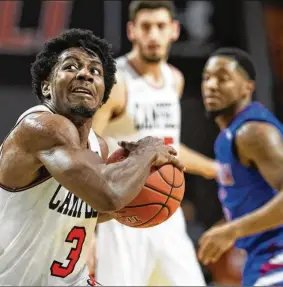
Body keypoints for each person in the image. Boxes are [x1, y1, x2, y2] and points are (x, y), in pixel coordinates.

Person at [0, 28, 184, 286]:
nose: (85, 74)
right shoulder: (41, 128)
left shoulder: (100, 148)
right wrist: (147, 153)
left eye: (95, 71)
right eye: (71, 66)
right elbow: (109, 195)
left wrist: (140, 195)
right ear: (46, 86)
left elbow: (99, 208)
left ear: (103, 95)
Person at [90, 1, 217, 285]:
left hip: (166, 210)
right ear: (132, 31)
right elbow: (86, 153)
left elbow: (171, 146)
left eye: (161, 26)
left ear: (174, 30)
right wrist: (87, 230)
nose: (153, 35)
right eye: (146, 27)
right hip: (122, 216)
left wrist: (215, 169)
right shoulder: (116, 83)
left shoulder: (175, 80)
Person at [197, 47, 283, 286]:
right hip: (263, 254)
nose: (211, 85)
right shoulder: (229, 137)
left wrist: (232, 230)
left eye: (223, 78)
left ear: (247, 87)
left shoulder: (253, 132)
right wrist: (224, 229)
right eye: (206, 78)